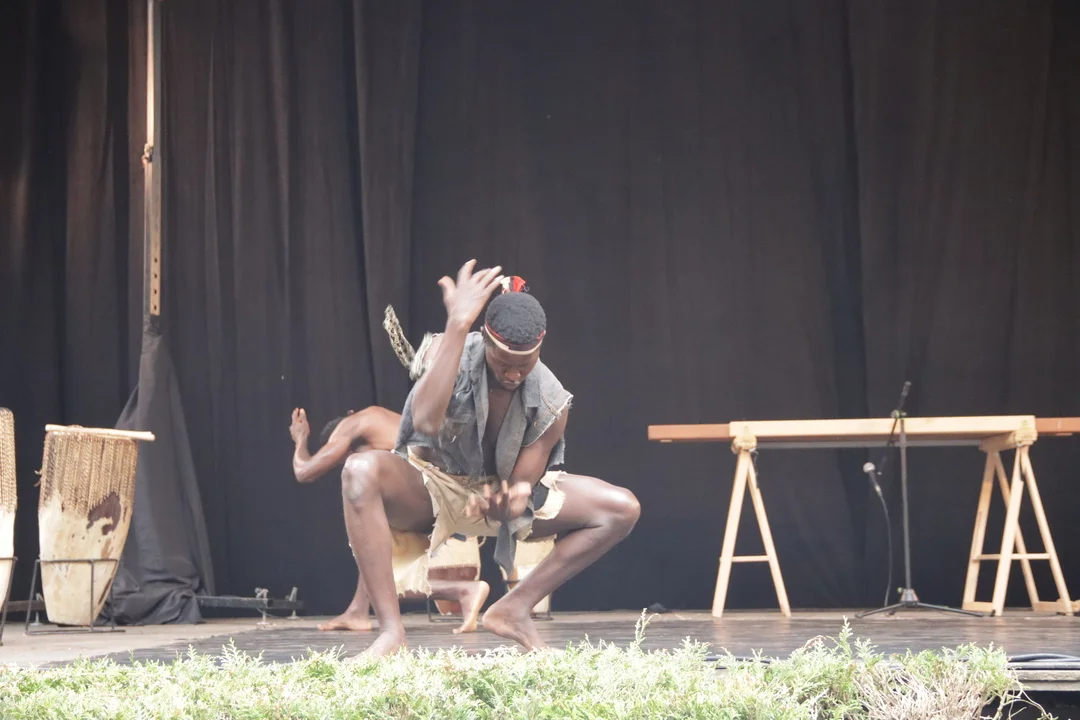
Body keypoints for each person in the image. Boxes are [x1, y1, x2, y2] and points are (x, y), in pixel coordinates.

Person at [340, 261, 641, 657]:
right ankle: (391, 632)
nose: (513, 375)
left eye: (524, 365)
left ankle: (514, 609)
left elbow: (523, 483)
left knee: (621, 509)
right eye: (503, 364)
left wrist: (512, 501)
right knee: (359, 471)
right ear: (484, 339)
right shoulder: (451, 350)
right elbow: (426, 421)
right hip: (430, 488)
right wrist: (457, 326)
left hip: (494, 498)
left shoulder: (552, 400)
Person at [290, 405, 490, 634]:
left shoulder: (352, 424)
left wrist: (300, 439)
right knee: (374, 546)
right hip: (462, 496)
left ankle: (461, 590)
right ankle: (357, 611)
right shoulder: (382, 421)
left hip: (438, 494)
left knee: (367, 531)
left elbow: (304, 471)